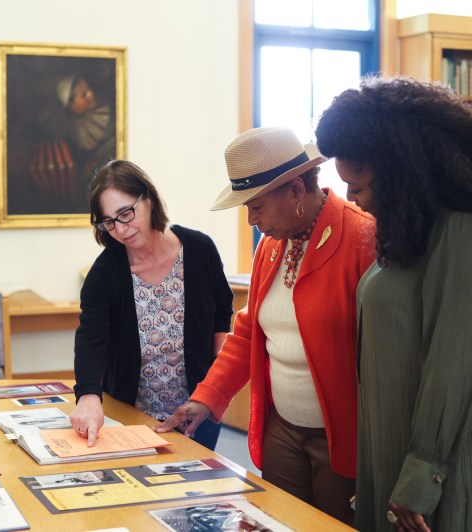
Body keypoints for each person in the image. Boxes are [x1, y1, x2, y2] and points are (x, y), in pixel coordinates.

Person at [315, 75, 472, 531]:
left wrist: (421, 477)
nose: (349, 198)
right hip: (404, 448)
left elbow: (456, 364)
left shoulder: (471, 227)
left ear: (400, 167)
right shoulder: (415, 224)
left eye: (357, 186)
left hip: (456, 463)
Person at [156, 126, 376, 524]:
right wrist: (204, 399)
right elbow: (248, 333)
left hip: (343, 436)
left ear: (295, 190)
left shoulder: (362, 236)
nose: (251, 221)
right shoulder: (271, 246)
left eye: (256, 206)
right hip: (282, 427)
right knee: (277, 522)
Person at [70, 159, 233, 451]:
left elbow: (222, 313)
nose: (120, 229)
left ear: (148, 200)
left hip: (198, 411)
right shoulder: (105, 272)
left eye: (126, 213)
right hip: (133, 415)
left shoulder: (199, 250)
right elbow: (90, 338)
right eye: (109, 221)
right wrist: (88, 396)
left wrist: (215, 385)